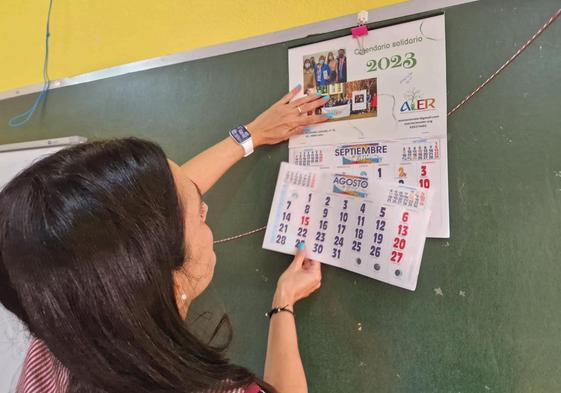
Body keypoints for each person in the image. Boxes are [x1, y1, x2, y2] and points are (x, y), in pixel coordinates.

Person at [0, 87, 329, 393]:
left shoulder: (63, 330)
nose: (204, 208)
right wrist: (284, 302)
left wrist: (250, 135)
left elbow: (147, 213)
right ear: (157, 273)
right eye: (196, 215)